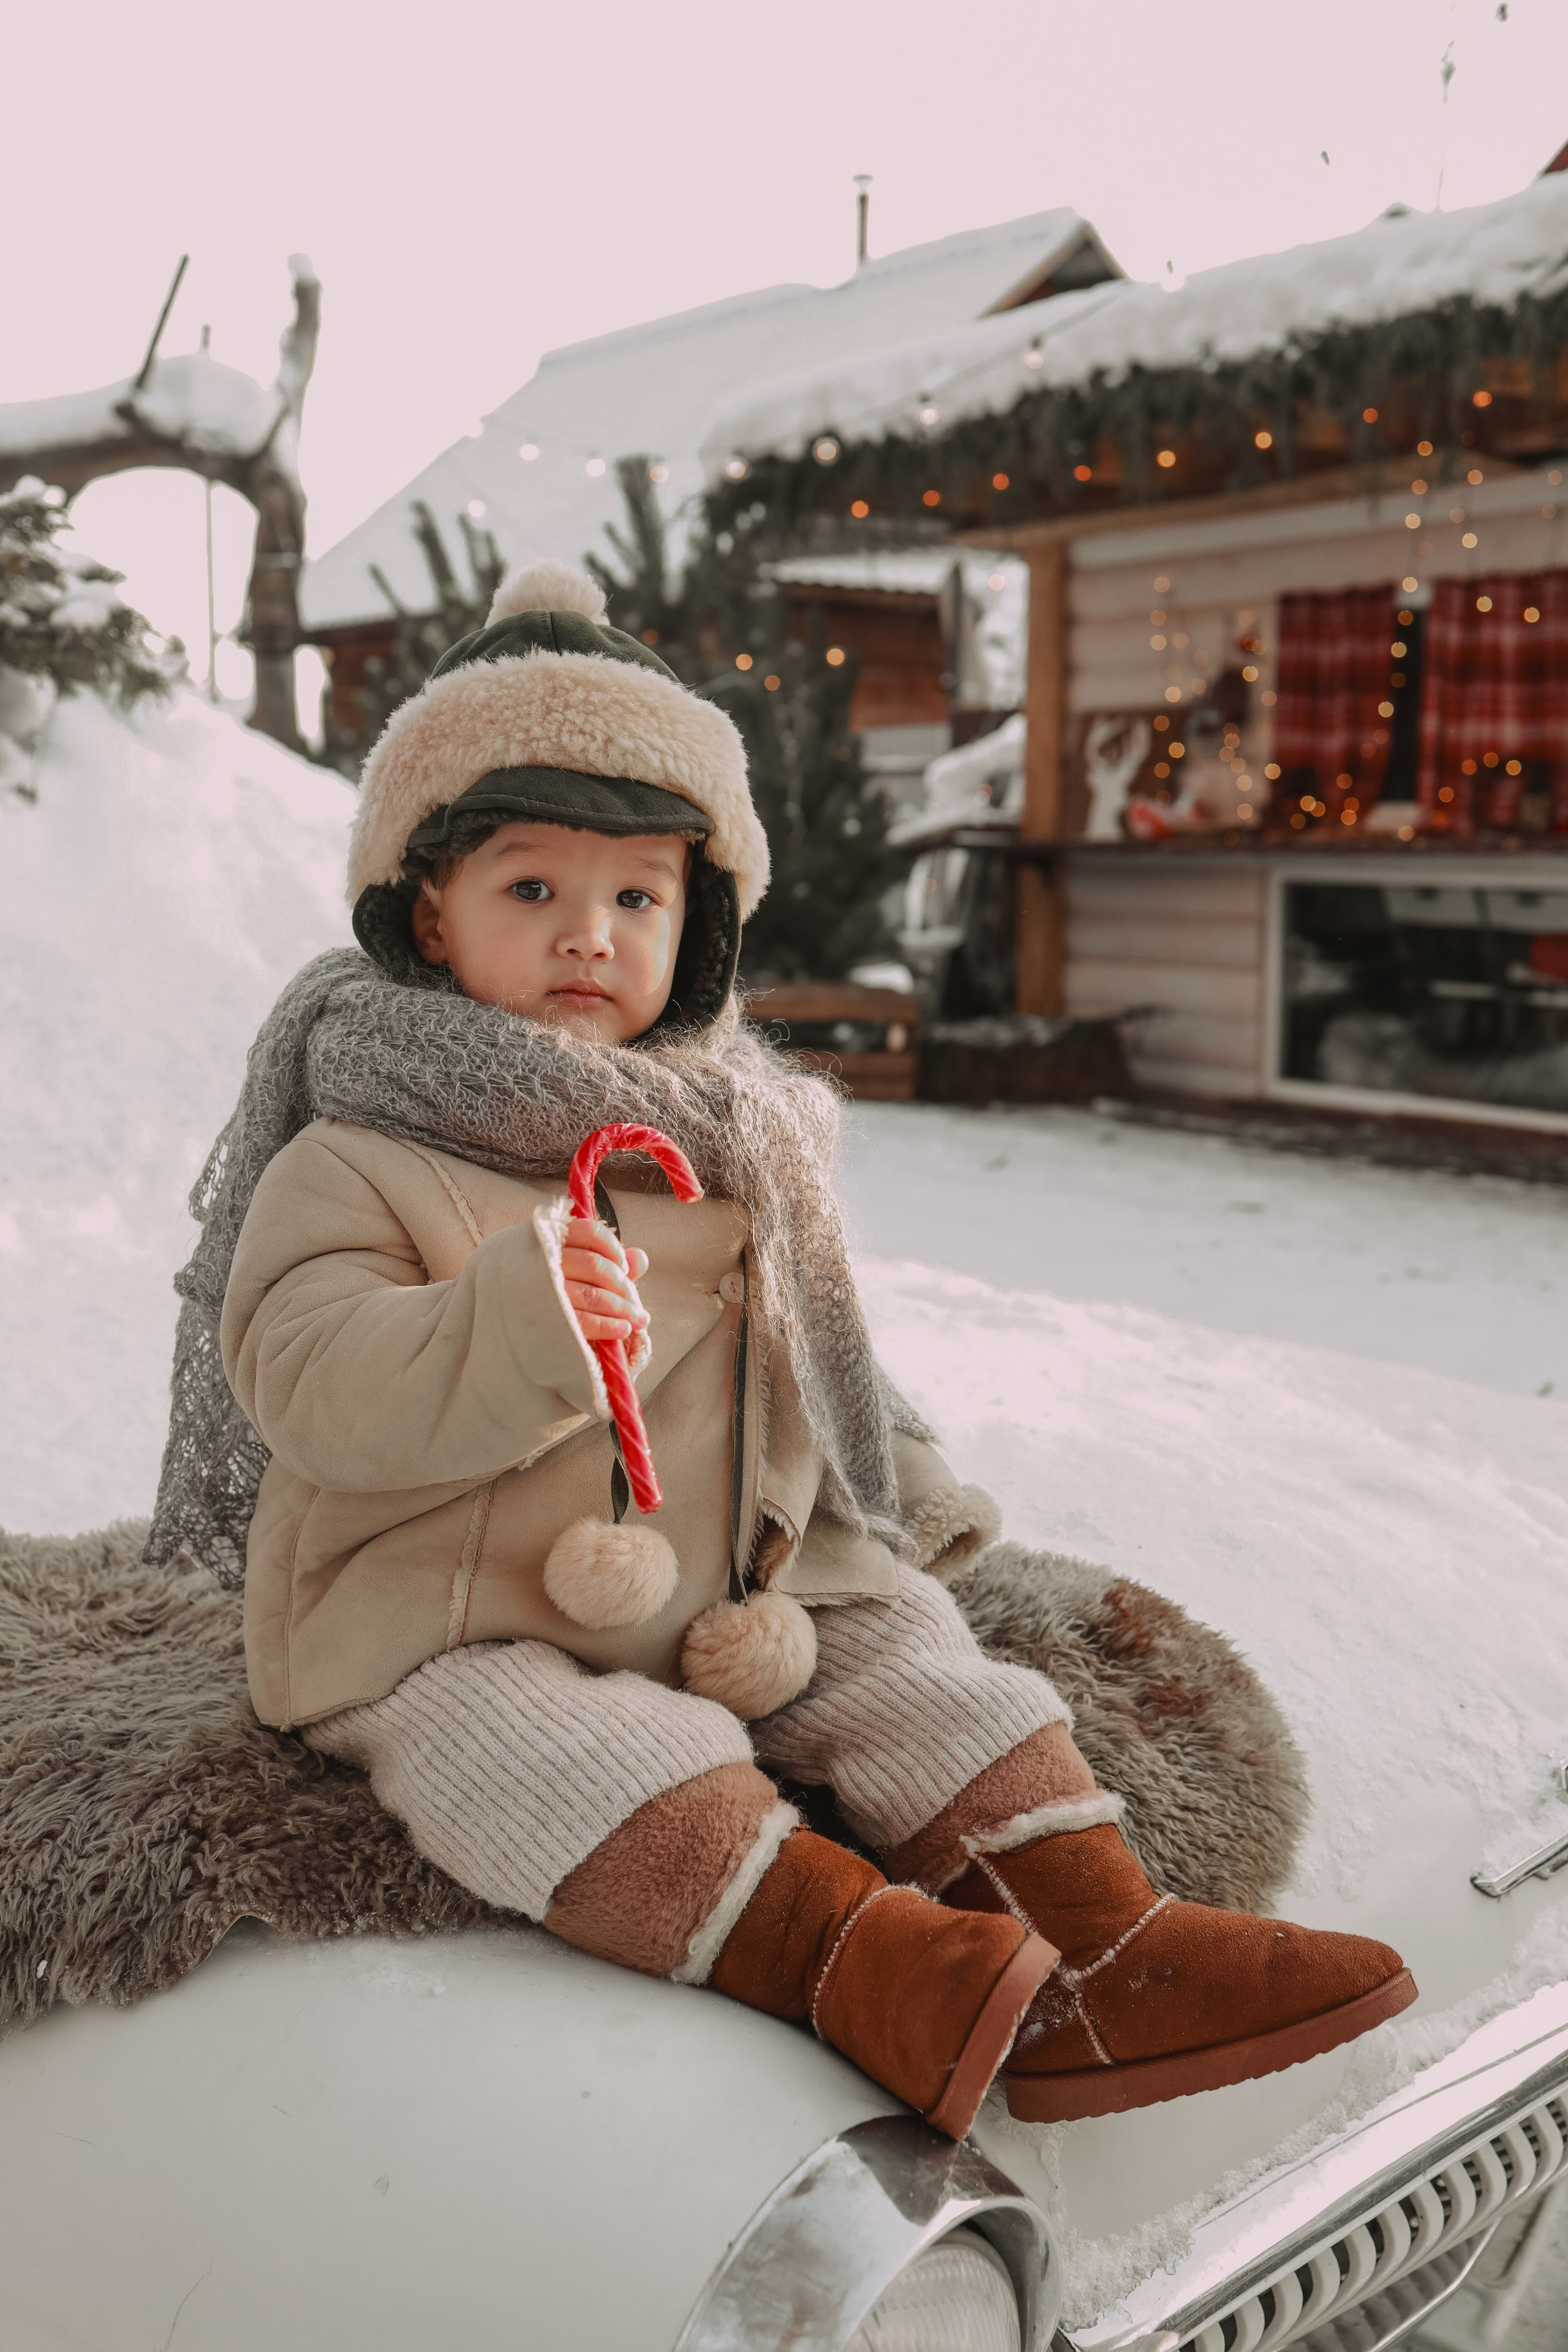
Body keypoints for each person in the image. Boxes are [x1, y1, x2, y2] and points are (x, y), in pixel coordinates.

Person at [147, 562, 1414, 2138]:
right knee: (547, 1750)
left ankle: (1106, 1944)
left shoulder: (736, 1130)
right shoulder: (354, 1151)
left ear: (698, 924)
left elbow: (812, 1352)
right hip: (442, 1600)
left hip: (725, 1577)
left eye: (635, 896)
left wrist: (901, 1488)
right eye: (529, 889)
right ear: (428, 912)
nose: (588, 936)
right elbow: (316, 1383)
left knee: (908, 1654)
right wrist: (513, 1316)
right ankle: (871, 1967)